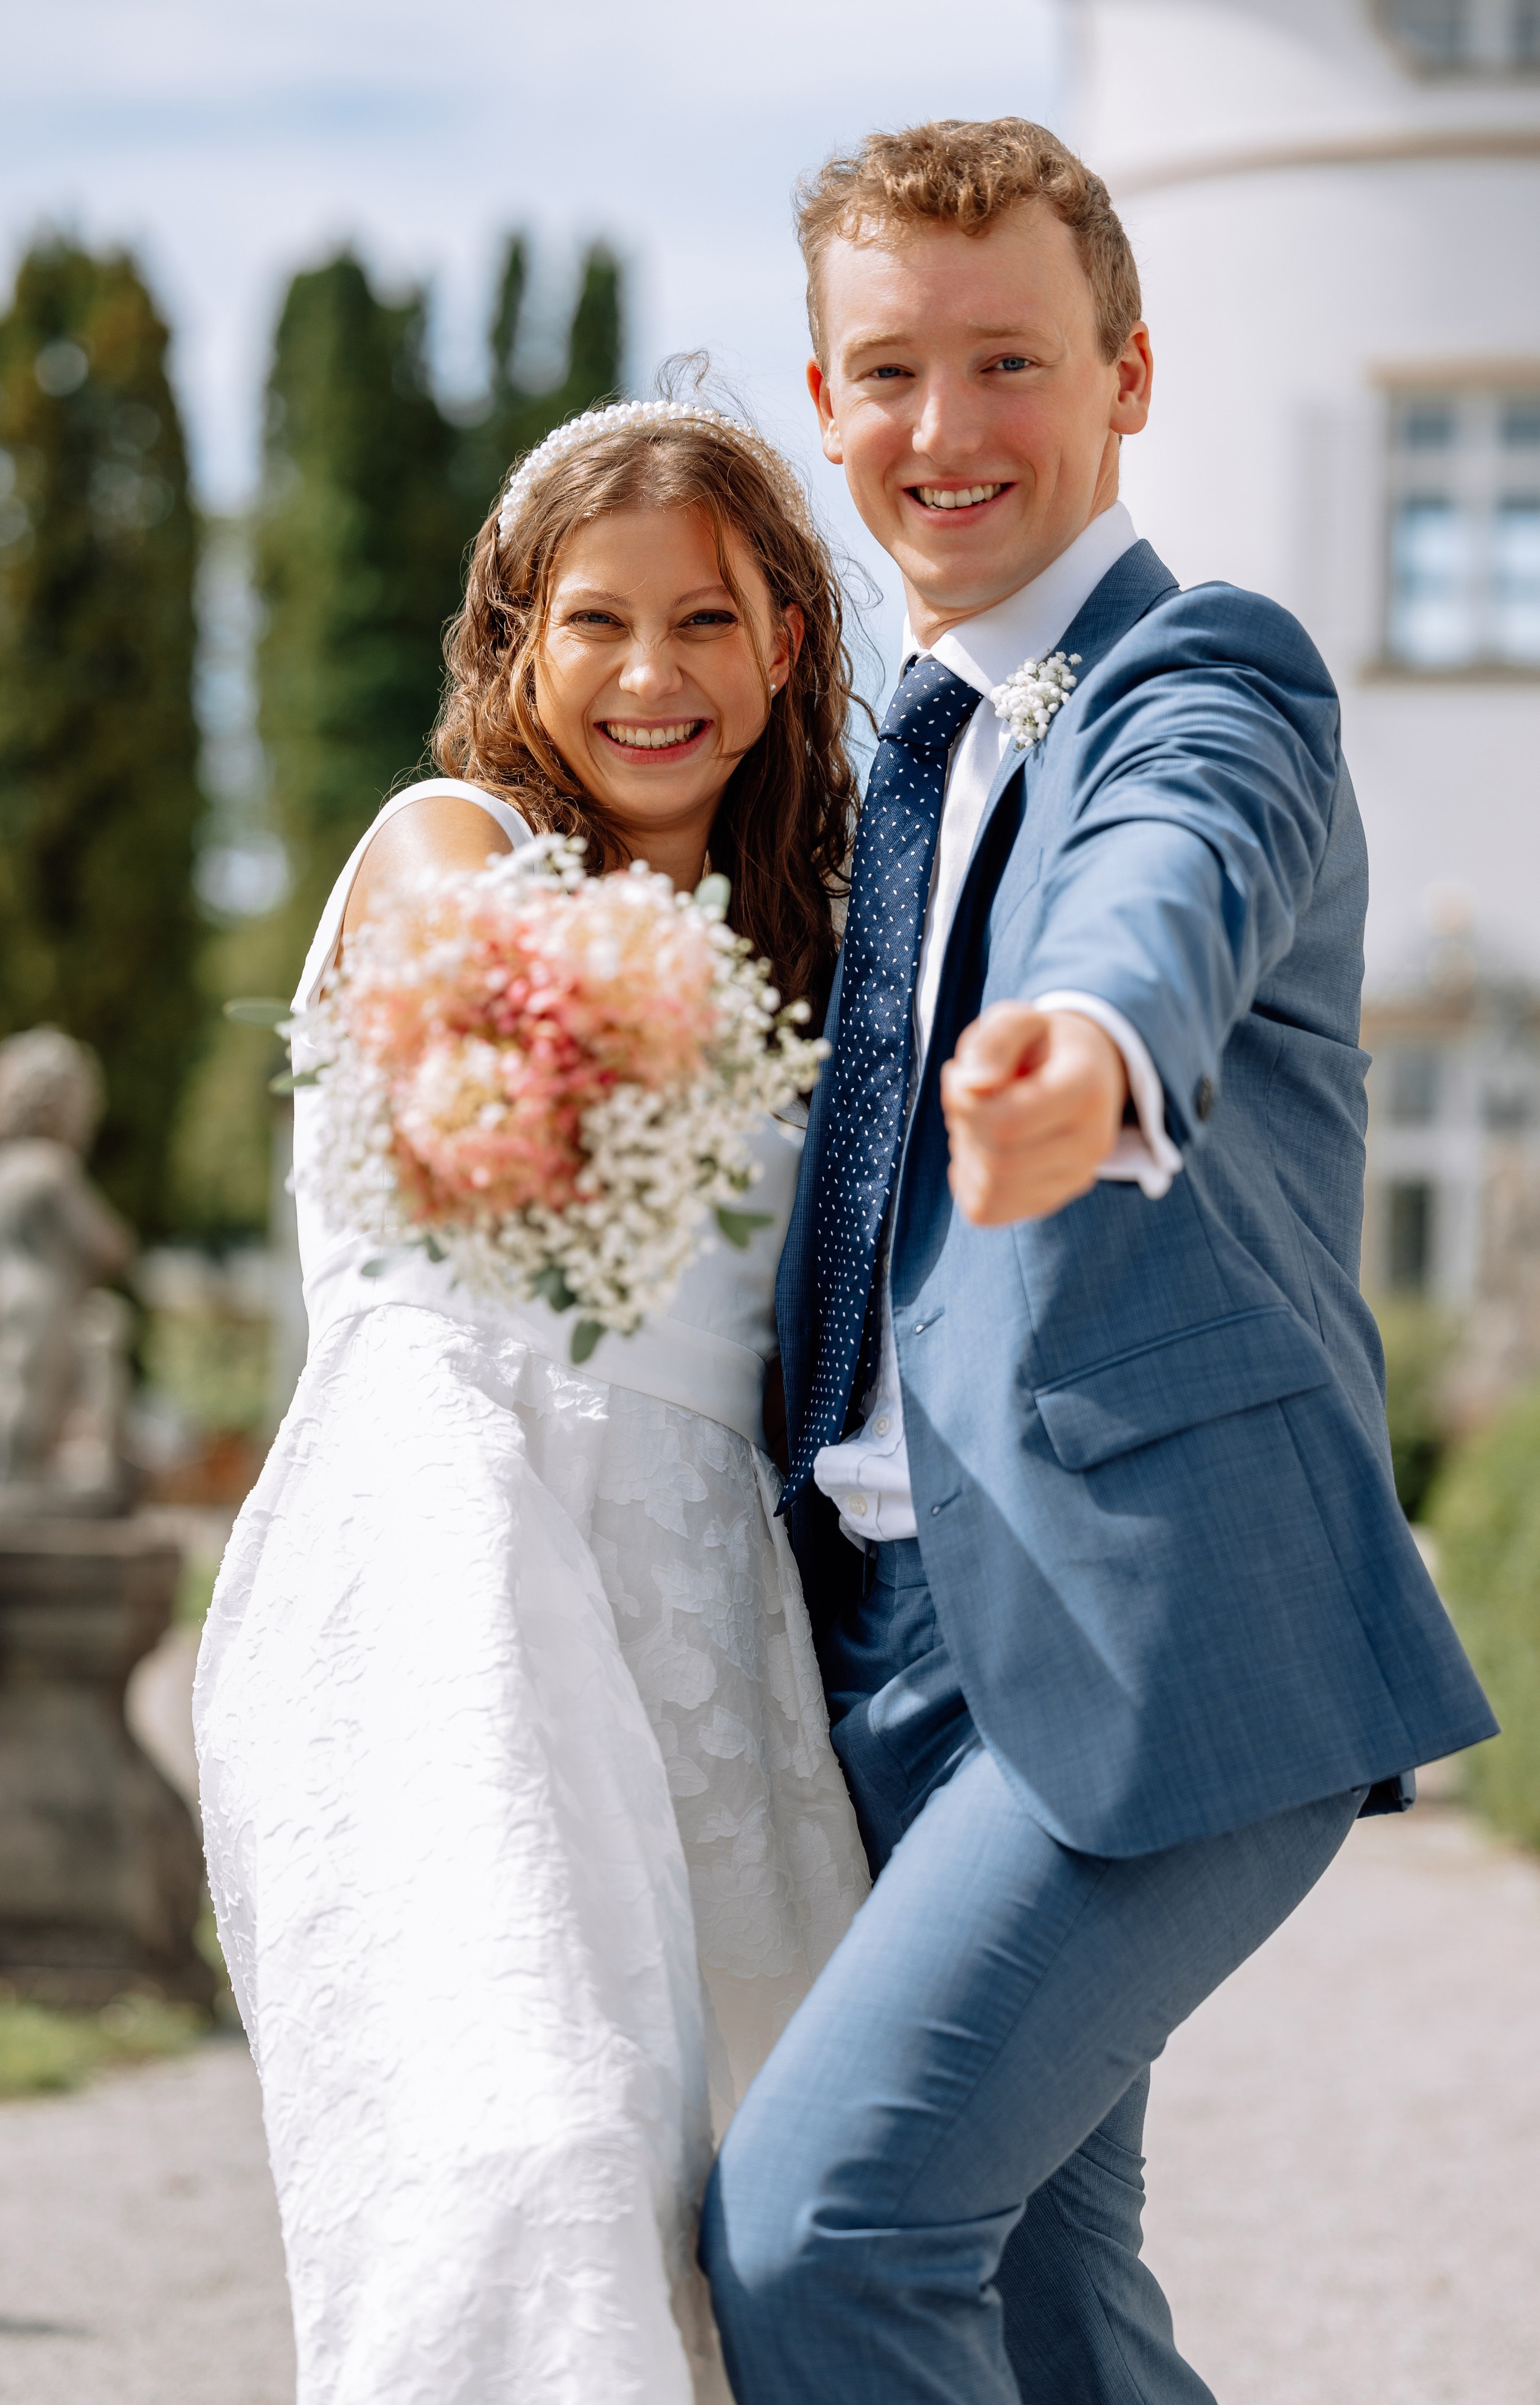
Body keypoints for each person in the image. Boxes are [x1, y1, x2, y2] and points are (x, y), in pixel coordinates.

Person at [701, 117, 1498, 2403]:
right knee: (1050, 2308)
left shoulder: (1205, 667)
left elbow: (1172, 869)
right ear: (828, 398)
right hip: (889, 1647)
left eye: (1009, 363)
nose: (944, 432)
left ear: (1129, 375)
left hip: (1147, 1628)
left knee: (823, 2235)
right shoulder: (891, 757)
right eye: (885, 372)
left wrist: (1088, 1046)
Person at [194, 400, 869, 2405]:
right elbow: (476, 1119)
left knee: (756, 2216)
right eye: (596, 622)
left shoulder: (835, 945)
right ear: (515, 642)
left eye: (708, 621)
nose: (652, 676)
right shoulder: (448, 849)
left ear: (786, 648)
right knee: (529, 2150)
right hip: (446, 1562)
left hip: (703, 1630)